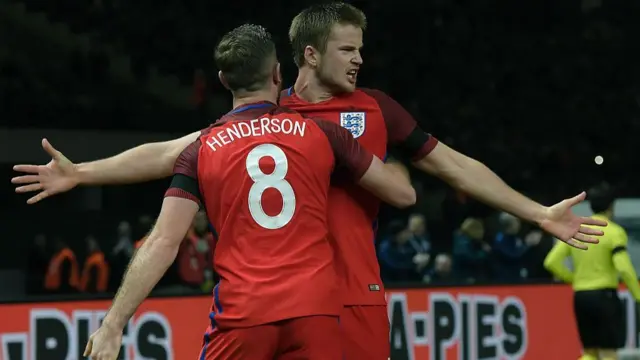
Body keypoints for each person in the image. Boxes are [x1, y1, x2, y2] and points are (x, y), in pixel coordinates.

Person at [13, 4, 606, 359]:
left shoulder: (375, 109)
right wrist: (84, 171)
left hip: (358, 297)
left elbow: (452, 164)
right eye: (347, 49)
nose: (358, 60)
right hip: (301, 302)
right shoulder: (276, 119)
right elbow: (170, 151)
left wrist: (536, 213)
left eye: (361, 50)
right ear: (305, 55)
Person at [82, 24, 415, 360]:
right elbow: (402, 194)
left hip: (244, 315)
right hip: (314, 313)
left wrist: (113, 324)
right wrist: (397, 163)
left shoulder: (204, 148)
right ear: (277, 73)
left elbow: (162, 242)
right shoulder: (322, 134)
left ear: (224, 81)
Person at [544, 183, 639, 360]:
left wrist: (575, 279)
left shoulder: (579, 229)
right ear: (612, 207)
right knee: (609, 352)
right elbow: (624, 269)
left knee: (589, 353)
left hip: (581, 296)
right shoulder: (614, 232)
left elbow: (551, 262)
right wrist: (638, 295)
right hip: (605, 297)